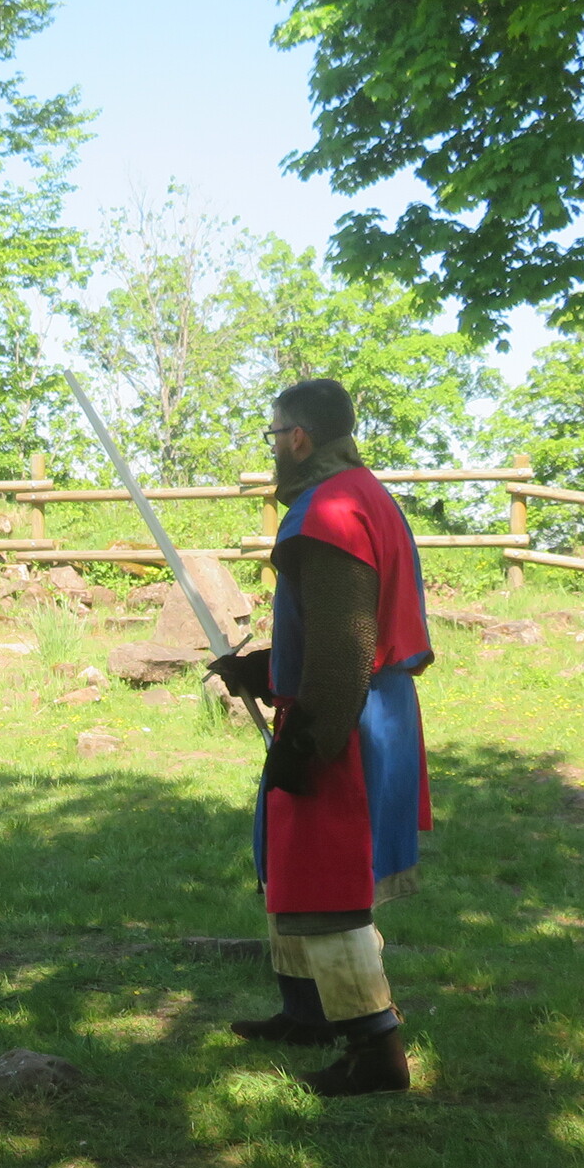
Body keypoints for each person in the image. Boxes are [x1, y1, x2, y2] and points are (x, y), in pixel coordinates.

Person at [210, 378, 434, 1098]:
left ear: (299, 437)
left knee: (328, 880)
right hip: (363, 707)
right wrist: (267, 669)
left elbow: (345, 647)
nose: (274, 448)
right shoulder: (364, 493)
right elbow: (332, 629)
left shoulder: (330, 510)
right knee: (290, 859)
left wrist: (310, 745)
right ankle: (306, 1011)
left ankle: (376, 1050)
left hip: (346, 719)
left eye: (275, 435)